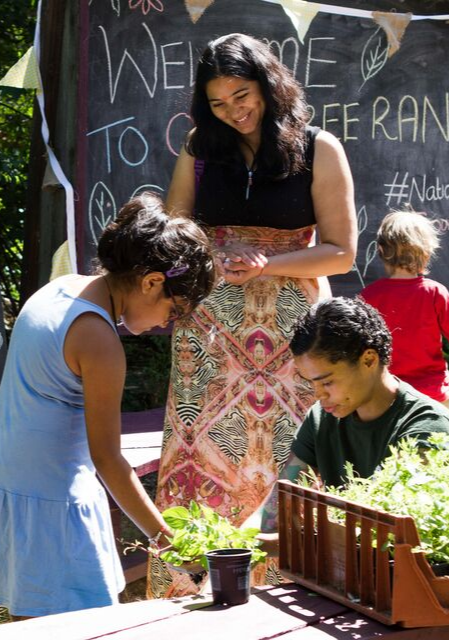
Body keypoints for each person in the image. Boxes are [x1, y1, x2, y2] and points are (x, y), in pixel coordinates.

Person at [149, 33, 357, 598]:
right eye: (218, 103)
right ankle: (189, 593)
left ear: (268, 85)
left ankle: (290, 593)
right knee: (199, 455)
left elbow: (341, 250)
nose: (233, 111)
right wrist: (208, 254)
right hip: (208, 332)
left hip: (291, 327)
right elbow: (175, 228)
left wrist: (270, 262)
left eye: (242, 95)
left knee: (289, 454)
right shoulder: (199, 147)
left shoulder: (319, 147)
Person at [0, 193, 215, 618]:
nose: (166, 323)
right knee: (82, 623)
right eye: (173, 309)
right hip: (51, 501)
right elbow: (108, 460)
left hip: (8, 477)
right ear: (150, 281)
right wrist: (170, 543)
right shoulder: (98, 340)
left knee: (33, 619)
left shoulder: (60, 288)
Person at [254, 297, 449, 543]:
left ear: (368, 360)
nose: (318, 394)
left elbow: (392, 528)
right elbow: (277, 507)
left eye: (327, 382)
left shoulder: (427, 424)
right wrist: (226, 547)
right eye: (312, 383)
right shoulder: (322, 417)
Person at [361, 209, 449, 411]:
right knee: (443, 442)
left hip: (386, 396)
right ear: (427, 252)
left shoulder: (369, 297)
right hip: (432, 397)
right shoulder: (434, 293)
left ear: (381, 250)